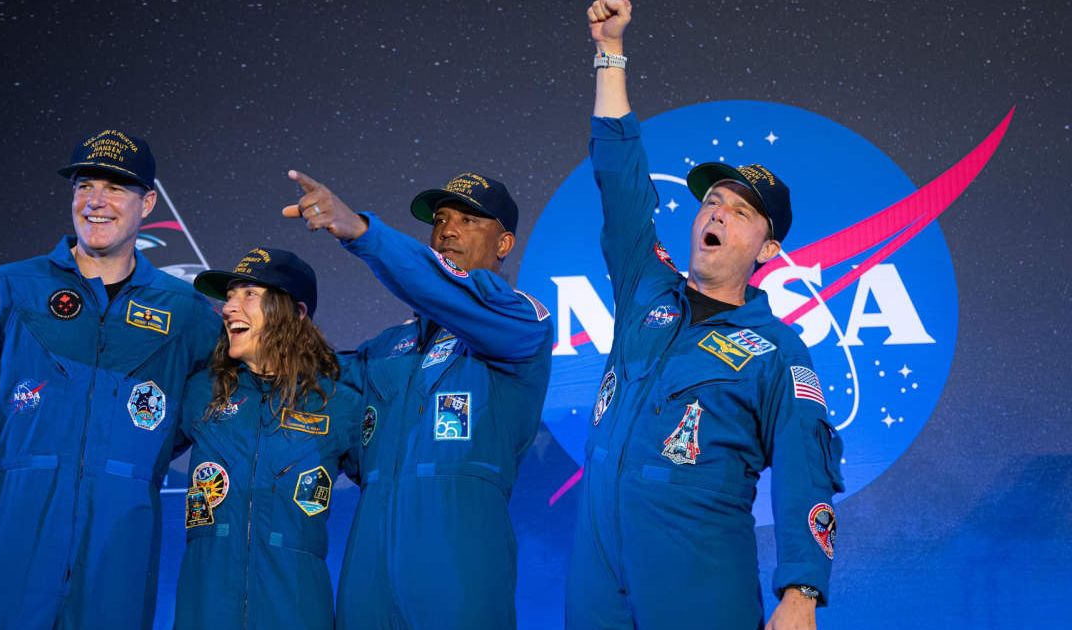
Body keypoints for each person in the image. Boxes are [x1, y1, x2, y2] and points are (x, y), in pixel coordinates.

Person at [565, 2, 846, 629]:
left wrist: (801, 591)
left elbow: (806, 471)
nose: (716, 213)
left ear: (768, 248)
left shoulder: (776, 351)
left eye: (740, 211)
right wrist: (610, 52)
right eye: (712, 202)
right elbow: (620, 178)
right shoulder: (647, 287)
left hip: (697, 570)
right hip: (598, 573)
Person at [0, 130, 219, 628]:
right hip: (13, 524)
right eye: (84, 186)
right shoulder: (11, 287)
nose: (97, 202)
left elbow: (220, 402)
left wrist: (145, 444)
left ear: (146, 204)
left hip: (121, 535)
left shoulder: (184, 309)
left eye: (116, 188)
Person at [281, 169, 554, 628]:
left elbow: (438, 287)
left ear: (503, 244)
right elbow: (309, 391)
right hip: (370, 563)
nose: (448, 230)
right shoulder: (383, 349)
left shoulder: (521, 323)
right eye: (442, 219)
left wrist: (363, 232)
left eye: (469, 220)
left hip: (457, 561)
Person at [174, 246, 362, 629]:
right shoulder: (201, 392)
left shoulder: (340, 404)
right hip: (205, 610)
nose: (228, 308)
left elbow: (389, 495)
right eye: (228, 296)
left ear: (295, 312)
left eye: (249, 295)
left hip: (295, 611)